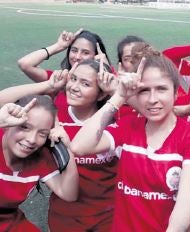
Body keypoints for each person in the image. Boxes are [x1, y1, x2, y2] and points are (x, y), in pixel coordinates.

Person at [70, 55, 190, 231]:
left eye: (161, 89)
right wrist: (119, 96)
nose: (153, 99)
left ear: (175, 93)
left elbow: (186, 200)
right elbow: (79, 146)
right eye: (144, 90)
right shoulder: (127, 127)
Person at [0, 59, 119, 231]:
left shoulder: (116, 123)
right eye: (73, 79)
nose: (32, 139)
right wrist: (48, 84)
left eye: (85, 83)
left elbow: (69, 192)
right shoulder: (53, 120)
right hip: (66, 217)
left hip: (105, 214)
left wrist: (117, 93)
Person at [0, 95, 78, 231]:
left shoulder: (41, 157)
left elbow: (68, 194)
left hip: (10, 222)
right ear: (8, 124)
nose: (32, 139)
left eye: (42, 134)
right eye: (24, 127)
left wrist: (67, 148)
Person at [18, 29, 111, 83]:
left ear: (97, 56)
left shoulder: (106, 82)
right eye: (74, 50)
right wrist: (59, 46)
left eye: (85, 53)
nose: (77, 57)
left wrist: (106, 69)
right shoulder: (59, 80)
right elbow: (25, 64)